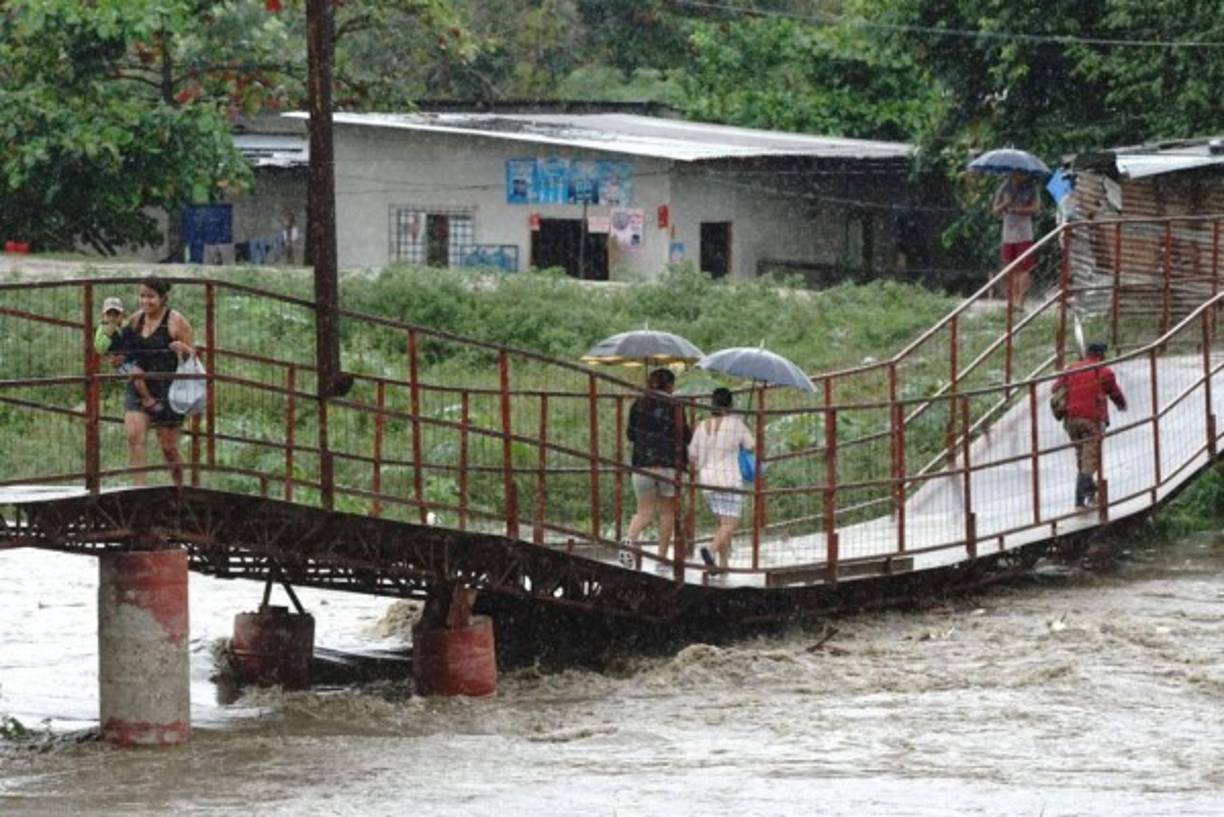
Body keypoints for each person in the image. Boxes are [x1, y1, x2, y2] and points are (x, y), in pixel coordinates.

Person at [118, 276, 196, 488]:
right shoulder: (136, 320)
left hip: (168, 389)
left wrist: (184, 350)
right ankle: (139, 491)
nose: (145, 302)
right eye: (142, 296)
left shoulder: (176, 321)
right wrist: (120, 358)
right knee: (134, 437)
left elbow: (194, 358)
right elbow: (123, 352)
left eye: (150, 297)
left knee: (168, 448)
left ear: (163, 298)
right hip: (139, 386)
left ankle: (180, 487)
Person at [622, 368, 691, 572]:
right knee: (667, 513)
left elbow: (631, 435)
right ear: (669, 385)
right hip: (669, 466)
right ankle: (662, 557)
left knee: (643, 513)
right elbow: (683, 436)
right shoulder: (675, 406)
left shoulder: (639, 403)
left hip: (642, 465)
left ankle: (628, 542)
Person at [687, 388, 755, 573]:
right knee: (730, 524)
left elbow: (692, 455)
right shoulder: (735, 424)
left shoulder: (702, 426)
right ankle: (711, 551)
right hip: (729, 481)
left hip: (707, 482)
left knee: (722, 525)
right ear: (730, 405)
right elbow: (751, 446)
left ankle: (722, 565)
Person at [1052, 341, 1127, 509]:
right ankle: (1086, 496)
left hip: (1071, 421)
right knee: (1090, 460)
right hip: (1091, 420)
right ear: (1101, 355)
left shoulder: (1073, 368)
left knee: (1082, 459)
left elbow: (1055, 387)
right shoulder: (1104, 371)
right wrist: (1122, 405)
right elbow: (1114, 392)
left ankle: (1086, 500)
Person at [992, 171, 1041, 305]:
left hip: (1024, 234)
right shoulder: (1003, 188)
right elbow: (995, 210)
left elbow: (1036, 208)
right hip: (1008, 234)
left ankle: (1021, 301)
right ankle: (1012, 300)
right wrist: (1006, 203)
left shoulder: (1031, 189)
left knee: (1025, 268)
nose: (1019, 176)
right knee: (1010, 268)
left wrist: (1017, 209)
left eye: (1022, 173)